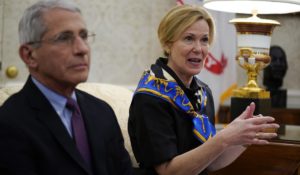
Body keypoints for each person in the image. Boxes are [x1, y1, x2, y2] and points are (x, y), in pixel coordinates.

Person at [128, 5, 279, 175]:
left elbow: (210, 163)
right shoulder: (150, 98)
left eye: (205, 40)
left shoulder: (203, 92)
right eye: (189, 38)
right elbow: (168, 172)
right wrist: (224, 138)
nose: (199, 49)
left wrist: (245, 138)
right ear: (167, 44)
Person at [0, 1, 132, 175]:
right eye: (64, 38)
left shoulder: (102, 111)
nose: (82, 49)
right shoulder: (9, 123)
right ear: (29, 55)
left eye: (84, 36)